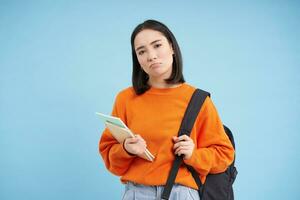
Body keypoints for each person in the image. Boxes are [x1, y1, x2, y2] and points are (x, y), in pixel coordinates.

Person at [99, 19, 234, 200]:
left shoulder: (198, 100)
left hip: (183, 193)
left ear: (171, 47)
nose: (151, 56)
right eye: (142, 51)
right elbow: (111, 159)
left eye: (157, 45)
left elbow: (224, 155)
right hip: (137, 193)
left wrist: (194, 154)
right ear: (137, 60)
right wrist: (126, 149)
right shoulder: (125, 99)